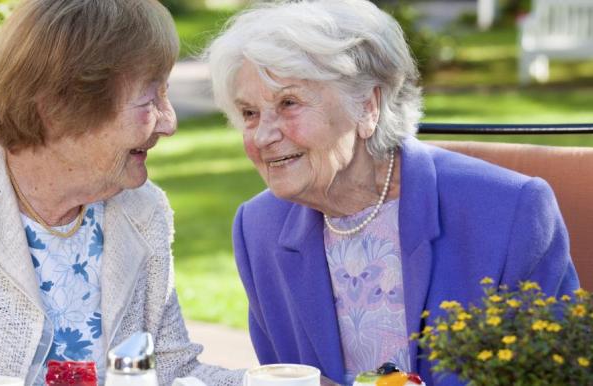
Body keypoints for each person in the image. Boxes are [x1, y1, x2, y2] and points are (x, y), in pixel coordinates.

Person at [0, 1, 244, 385]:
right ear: (59, 107)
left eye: (166, 93)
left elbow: (172, 372)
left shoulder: (142, 207)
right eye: (149, 97)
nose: (169, 122)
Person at [206, 1, 580, 385]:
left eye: (288, 103)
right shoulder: (259, 229)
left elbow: (558, 375)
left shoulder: (510, 212)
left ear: (368, 106)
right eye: (249, 113)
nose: (263, 135)